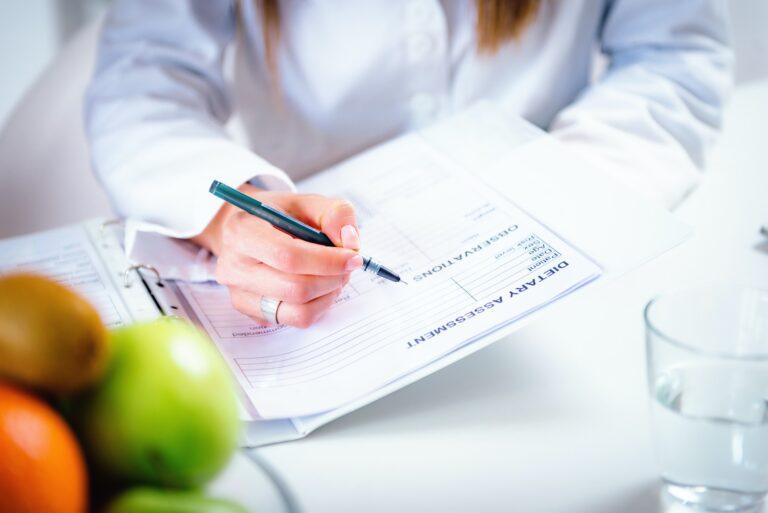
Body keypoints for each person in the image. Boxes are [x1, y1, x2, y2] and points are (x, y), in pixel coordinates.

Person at [85, 0, 732, 328]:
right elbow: (143, 83)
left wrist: (562, 202)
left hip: (559, 285)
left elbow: (672, 58)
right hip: (316, 282)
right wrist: (228, 216)